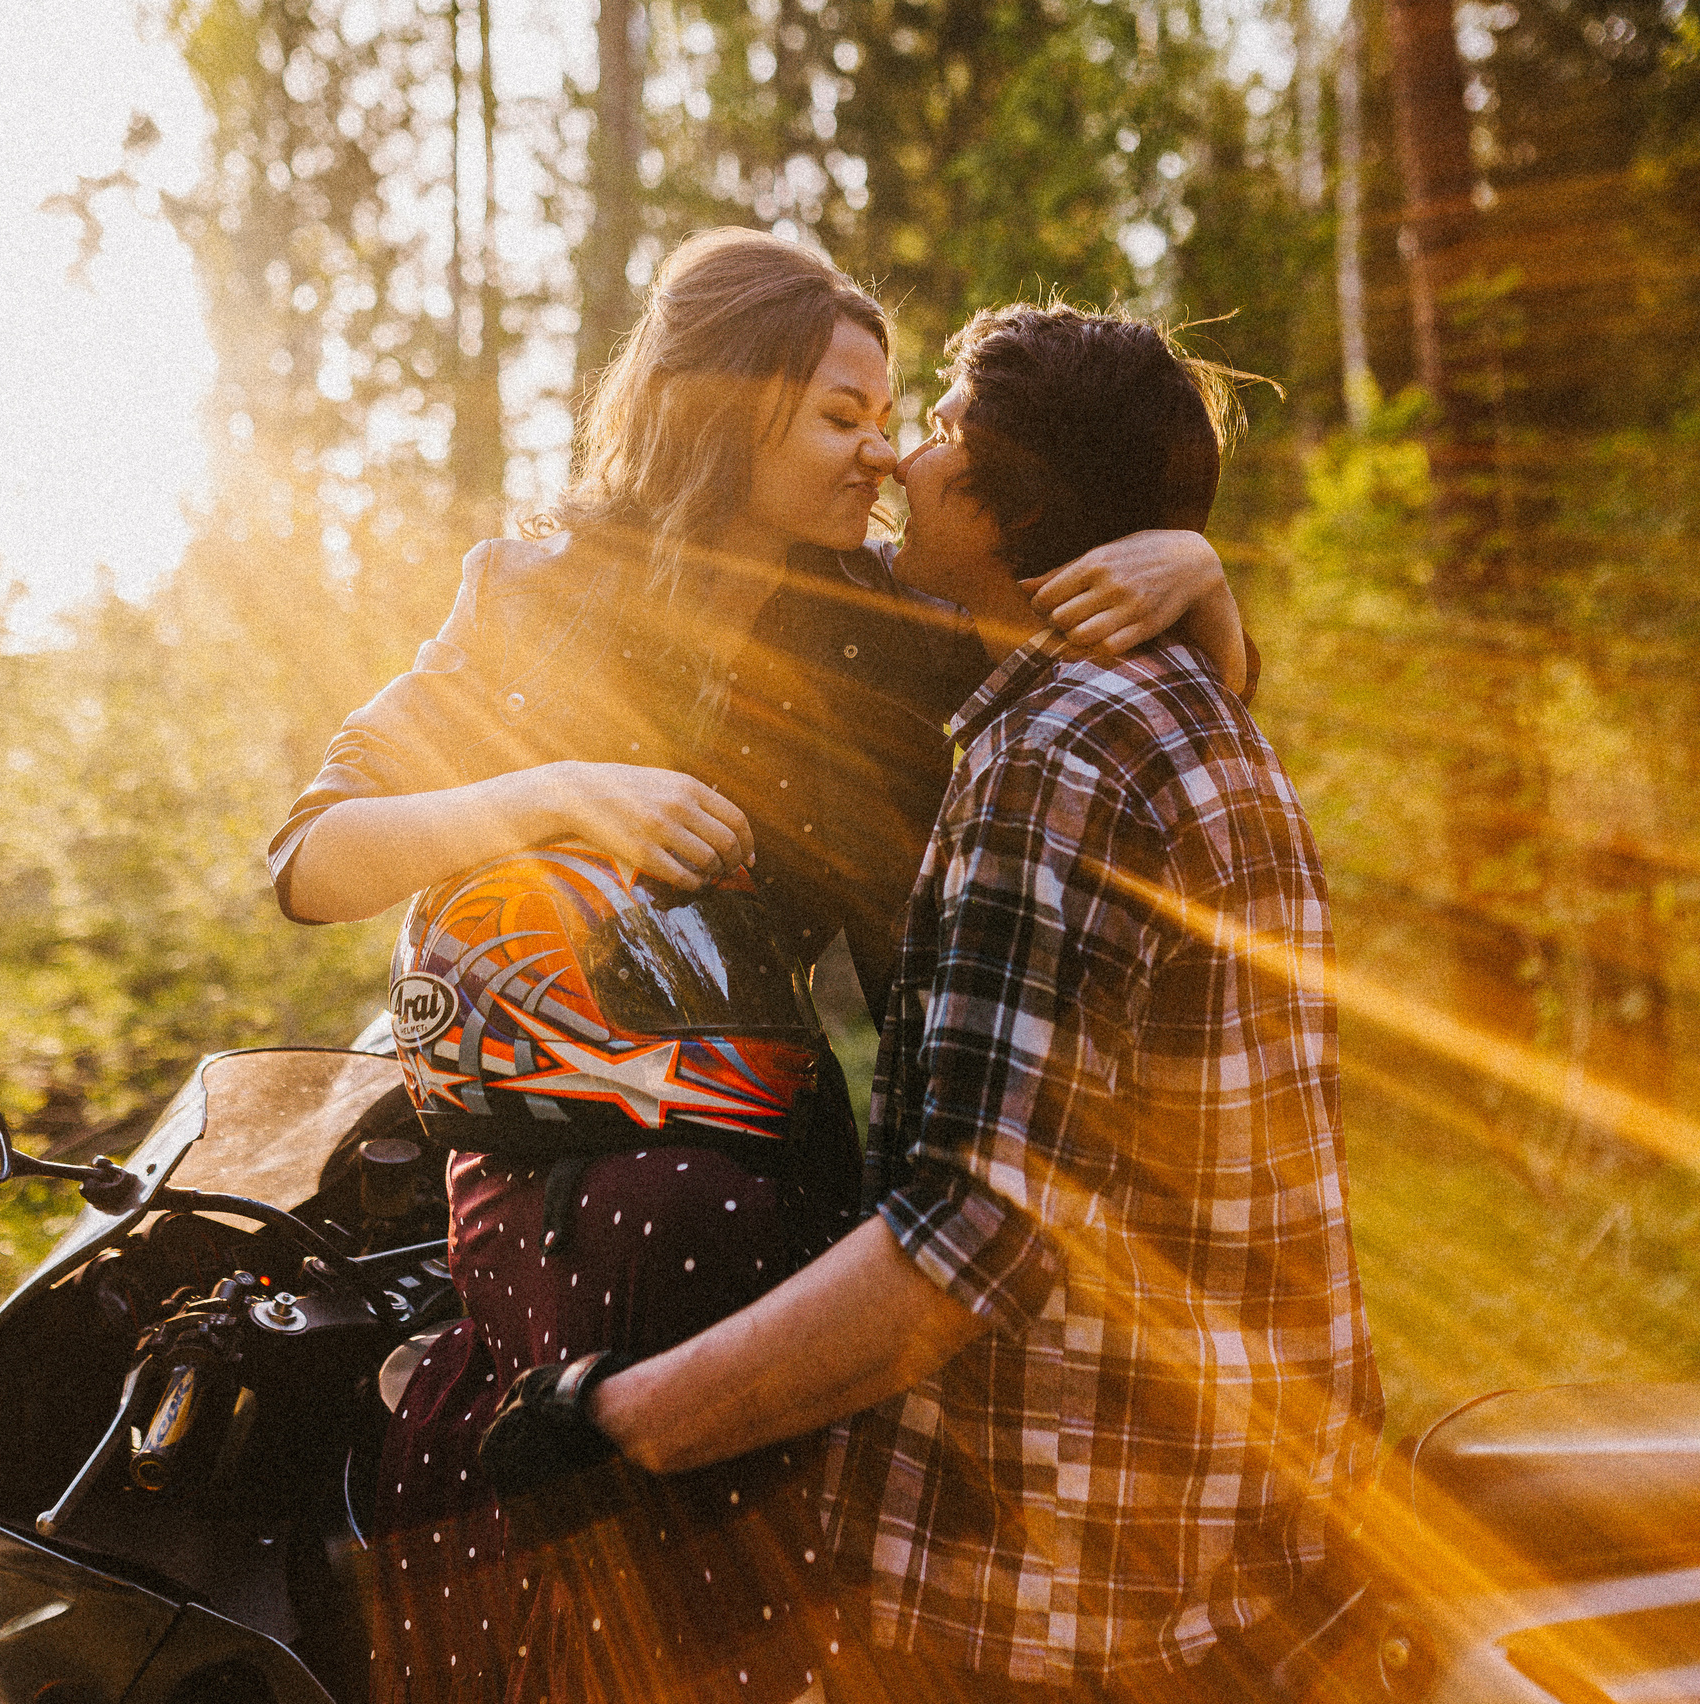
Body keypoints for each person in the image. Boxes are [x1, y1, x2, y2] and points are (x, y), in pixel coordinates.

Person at [267, 231, 1252, 1703]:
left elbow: (1129, 734)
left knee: (750, 1261)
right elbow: (310, 861)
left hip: (768, 1123)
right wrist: (553, 795)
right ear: (726, 407)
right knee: (662, 1238)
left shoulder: (890, 628)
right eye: (840, 416)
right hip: (544, 1133)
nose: (877, 456)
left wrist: (1205, 574)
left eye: (888, 417)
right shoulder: (533, 592)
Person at [514, 302, 1384, 1702]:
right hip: (1235, 1527)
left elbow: (978, 1231)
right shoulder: (1177, 708)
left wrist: (622, 1421)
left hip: (1081, 1578)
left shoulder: (1061, 754)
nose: (902, 466)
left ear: (1006, 500)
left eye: (935, 435)